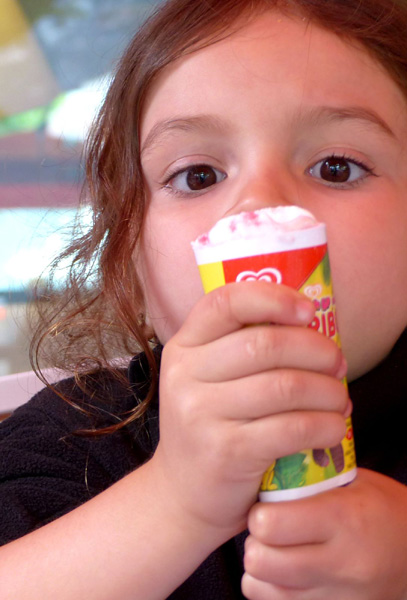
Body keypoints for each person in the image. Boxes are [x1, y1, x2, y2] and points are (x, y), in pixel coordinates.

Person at [1, 0, 407, 597]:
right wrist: (176, 502)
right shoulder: (78, 437)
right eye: (198, 176)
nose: (260, 204)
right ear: (132, 264)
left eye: (337, 167)